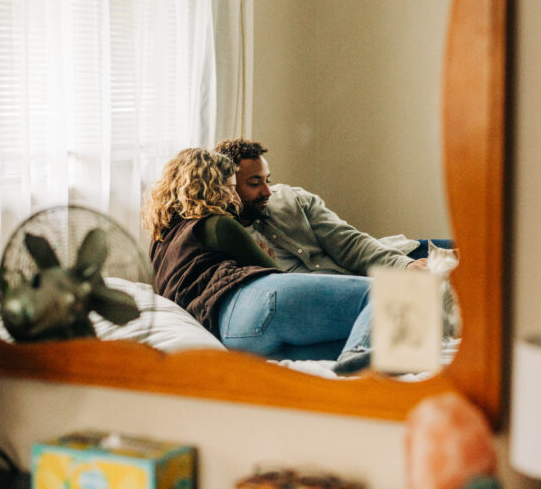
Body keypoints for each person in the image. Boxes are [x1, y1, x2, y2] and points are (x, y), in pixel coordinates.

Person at [141, 148, 374, 373]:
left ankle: (352, 368)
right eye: (230, 188)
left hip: (233, 335)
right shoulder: (218, 224)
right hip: (250, 303)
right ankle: (356, 357)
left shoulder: (161, 237)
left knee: (344, 345)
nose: (234, 197)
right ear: (211, 189)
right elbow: (271, 270)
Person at [213, 138, 423, 275]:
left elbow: (348, 243)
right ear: (227, 185)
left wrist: (403, 265)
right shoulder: (219, 233)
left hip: (369, 263)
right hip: (341, 293)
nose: (267, 191)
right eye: (254, 183)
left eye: (267, 180)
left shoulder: (292, 198)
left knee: (450, 251)